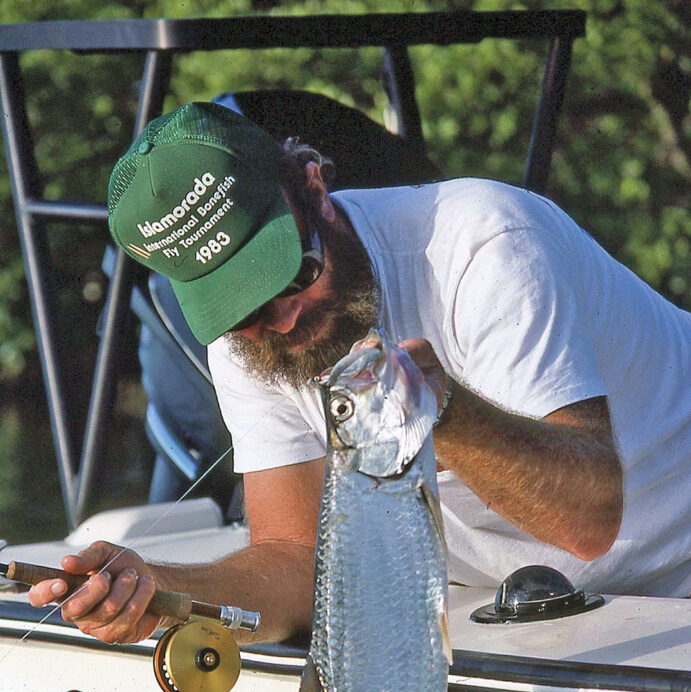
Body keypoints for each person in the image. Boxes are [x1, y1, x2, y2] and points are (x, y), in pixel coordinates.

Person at [29, 101, 691, 644]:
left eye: (292, 274)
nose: (281, 322)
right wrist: (160, 591)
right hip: (546, 604)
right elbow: (296, 565)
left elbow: (586, 518)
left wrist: (446, 412)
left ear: (314, 186)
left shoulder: (480, 245)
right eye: (242, 310)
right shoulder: (245, 349)